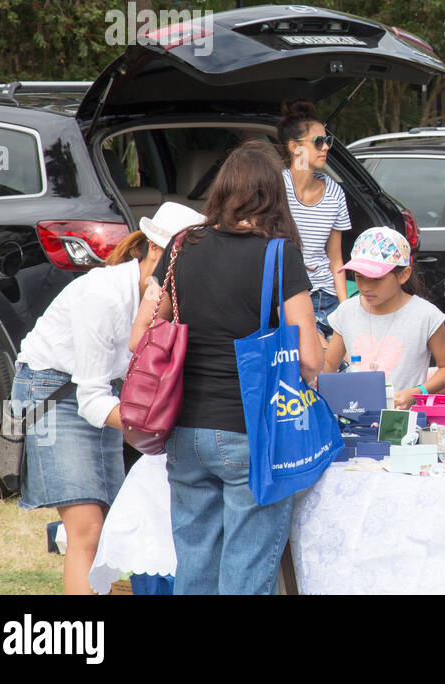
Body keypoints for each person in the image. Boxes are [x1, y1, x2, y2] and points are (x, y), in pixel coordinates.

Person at [132, 140, 322, 595]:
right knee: (245, 574)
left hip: (183, 430)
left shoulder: (182, 245)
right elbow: (311, 358)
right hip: (249, 431)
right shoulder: (279, 255)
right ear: (273, 194)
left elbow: (142, 334)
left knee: (194, 568)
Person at [11, 202, 205, 594]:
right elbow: (91, 399)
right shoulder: (103, 294)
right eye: (183, 263)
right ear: (155, 251)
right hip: (53, 390)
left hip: (107, 395)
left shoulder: (169, 299)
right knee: (88, 528)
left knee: (116, 527)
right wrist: (158, 422)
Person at [322, 227, 445, 409]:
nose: (366, 287)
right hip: (354, 418)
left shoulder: (425, 315)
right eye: (359, 277)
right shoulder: (347, 311)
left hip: (404, 422)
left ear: (403, 275)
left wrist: (417, 392)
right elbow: (330, 364)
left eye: (376, 279)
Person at [277, 99, 351, 337]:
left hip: (327, 298)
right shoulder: (275, 188)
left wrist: (346, 311)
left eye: (328, 141)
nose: (326, 147)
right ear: (294, 147)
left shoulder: (335, 193)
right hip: (286, 297)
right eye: (318, 142)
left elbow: (336, 260)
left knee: (339, 367)